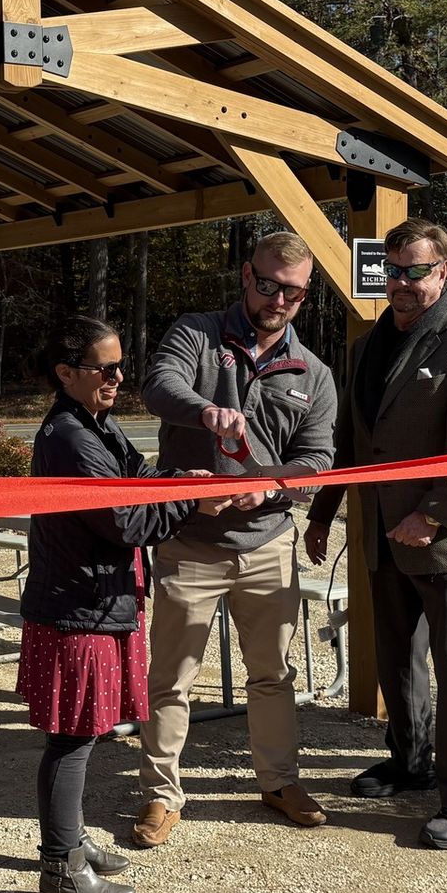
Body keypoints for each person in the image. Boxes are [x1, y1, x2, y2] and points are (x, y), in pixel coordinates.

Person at [307, 218, 447, 850]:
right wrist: (323, 508)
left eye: (414, 271)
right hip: (382, 534)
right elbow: (352, 439)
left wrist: (434, 514)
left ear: (444, 271)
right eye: (391, 270)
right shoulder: (367, 345)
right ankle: (410, 759)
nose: (399, 282)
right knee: (398, 660)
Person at [135, 231, 339, 847]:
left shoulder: (315, 373)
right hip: (189, 541)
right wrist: (203, 412)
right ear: (246, 276)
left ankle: (278, 781)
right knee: (171, 676)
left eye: (294, 292)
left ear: (305, 296)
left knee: (272, 673)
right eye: (269, 284)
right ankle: (161, 795)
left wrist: (271, 489)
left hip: (267, 543)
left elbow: (319, 458)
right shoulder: (197, 333)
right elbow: (157, 386)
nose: (278, 299)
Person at [20, 316, 228, 893]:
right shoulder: (70, 436)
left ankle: (72, 843)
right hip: (77, 608)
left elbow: (137, 478)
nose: (117, 378)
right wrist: (190, 501)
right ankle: (61, 866)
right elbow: (126, 522)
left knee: (83, 735)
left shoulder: (96, 427)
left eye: (120, 366)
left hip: (98, 601)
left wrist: (180, 480)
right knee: (73, 739)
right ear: (66, 374)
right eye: (104, 368)